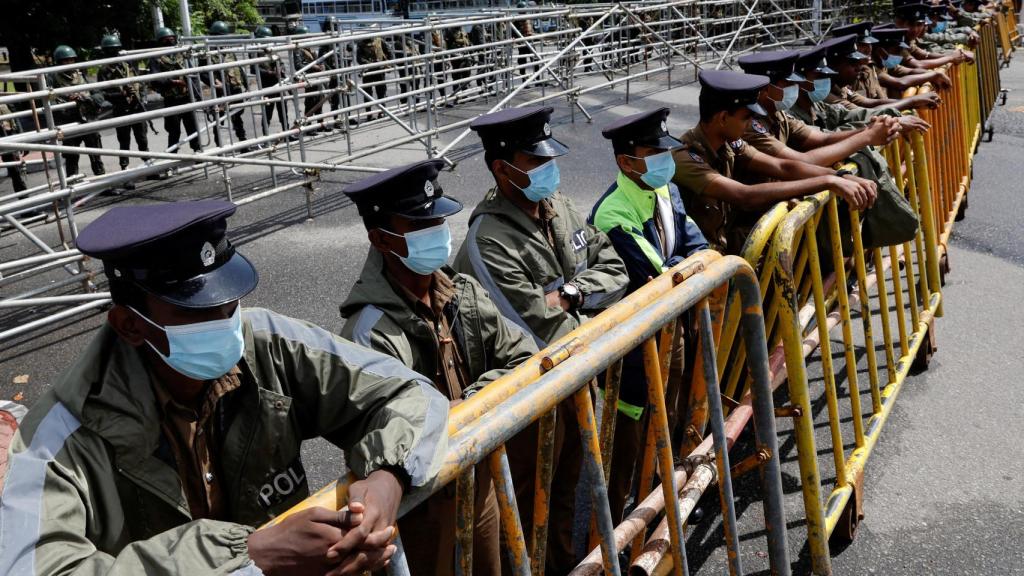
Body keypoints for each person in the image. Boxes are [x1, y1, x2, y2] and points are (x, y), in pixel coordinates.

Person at [0, 199, 448, 576]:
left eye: (228, 301)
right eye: (194, 311)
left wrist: (387, 473)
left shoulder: (268, 342)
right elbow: (29, 567)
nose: (224, 323)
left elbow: (411, 392)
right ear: (130, 326)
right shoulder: (59, 437)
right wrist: (247, 556)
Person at [340, 159, 539, 575]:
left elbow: (521, 354)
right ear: (381, 238)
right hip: (420, 505)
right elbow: (385, 435)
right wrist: (460, 410)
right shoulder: (367, 333)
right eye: (419, 226)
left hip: (477, 475)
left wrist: (467, 401)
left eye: (439, 221)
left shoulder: (460, 291)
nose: (438, 233)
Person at [452, 106, 629, 574]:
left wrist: (572, 293)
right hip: (529, 401)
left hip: (577, 381)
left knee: (568, 493)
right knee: (530, 505)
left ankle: (564, 564)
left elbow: (616, 271)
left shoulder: (562, 207)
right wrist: (597, 317)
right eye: (536, 161)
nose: (549, 168)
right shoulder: (488, 240)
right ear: (502, 168)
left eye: (549, 157)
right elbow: (537, 330)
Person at [588, 108, 708, 522]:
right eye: (653, 152)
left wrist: (685, 264)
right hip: (633, 349)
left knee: (671, 414)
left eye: (665, 150)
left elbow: (699, 246)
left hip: (670, 330)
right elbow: (657, 275)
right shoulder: (612, 212)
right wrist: (684, 265)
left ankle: (660, 498)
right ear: (626, 162)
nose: (665, 159)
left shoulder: (665, 190)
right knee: (628, 437)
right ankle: (616, 525)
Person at [671, 70, 876, 256]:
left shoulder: (730, 143)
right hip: (703, 260)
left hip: (728, 250)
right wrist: (827, 182)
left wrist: (838, 176)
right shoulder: (685, 157)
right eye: (746, 117)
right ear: (723, 118)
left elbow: (783, 166)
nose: (750, 123)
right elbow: (744, 196)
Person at [736, 50, 900, 170]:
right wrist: (867, 137)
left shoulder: (778, 114)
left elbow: (823, 139)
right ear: (764, 89)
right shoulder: (750, 125)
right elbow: (802, 161)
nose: (796, 87)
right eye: (788, 83)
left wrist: (869, 130)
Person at [824, 32, 942, 112]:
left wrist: (912, 101)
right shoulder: (826, 94)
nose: (858, 67)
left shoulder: (843, 85)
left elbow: (869, 103)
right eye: (852, 63)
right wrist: (912, 101)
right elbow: (865, 112)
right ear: (833, 67)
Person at [97, 33, 150, 184]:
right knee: (124, 142)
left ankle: (148, 167)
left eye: (115, 49)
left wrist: (141, 96)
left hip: (136, 106)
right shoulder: (104, 71)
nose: (114, 53)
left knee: (142, 139)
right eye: (110, 50)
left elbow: (140, 82)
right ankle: (125, 170)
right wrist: (121, 93)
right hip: (120, 108)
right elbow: (103, 93)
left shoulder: (128, 65)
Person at [48, 45, 107, 178]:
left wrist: (87, 98)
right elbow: (49, 102)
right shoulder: (53, 78)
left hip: (88, 118)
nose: (69, 63)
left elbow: (98, 94)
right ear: (58, 62)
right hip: (69, 120)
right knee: (71, 156)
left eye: (71, 60)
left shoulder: (81, 75)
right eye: (65, 61)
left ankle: (103, 182)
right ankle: (72, 186)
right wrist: (67, 103)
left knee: (95, 153)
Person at [149, 27, 203, 155]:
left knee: (192, 127)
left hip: (186, 96)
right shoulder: (156, 57)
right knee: (173, 130)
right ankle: (172, 154)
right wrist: (174, 82)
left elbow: (193, 74)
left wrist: (196, 95)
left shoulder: (181, 53)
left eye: (171, 38)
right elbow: (155, 79)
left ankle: (197, 150)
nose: (169, 41)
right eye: (166, 39)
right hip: (171, 98)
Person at [871, 27, 953, 95]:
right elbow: (900, 83)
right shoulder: (872, 68)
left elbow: (911, 71)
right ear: (880, 51)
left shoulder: (885, 63)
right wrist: (932, 76)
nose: (901, 54)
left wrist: (934, 74)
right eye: (897, 50)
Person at [206, 21, 251, 147]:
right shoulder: (208, 53)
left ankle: (243, 142)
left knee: (237, 117)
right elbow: (203, 73)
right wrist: (215, 82)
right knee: (218, 119)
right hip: (221, 91)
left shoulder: (229, 51)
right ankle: (219, 147)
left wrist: (246, 85)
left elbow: (238, 69)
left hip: (235, 89)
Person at [894, 2, 975, 65]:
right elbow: (917, 65)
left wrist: (956, 54)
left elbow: (926, 54)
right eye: (911, 24)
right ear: (898, 23)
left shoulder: (910, 40)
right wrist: (950, 58)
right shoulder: (895, 41)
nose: (916, 30)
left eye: (920, 25)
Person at [253, 26, 290, 135]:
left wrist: (280, 68)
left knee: (283, 111)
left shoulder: (272, 51)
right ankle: (266, 136)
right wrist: (269, 72)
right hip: (266, 86)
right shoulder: (255, 52)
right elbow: (254, 69)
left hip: (278, 84)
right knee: (267, 113)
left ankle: (286, 133)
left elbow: (281, 63)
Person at [355, 34, 393, 120]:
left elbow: (389, 52)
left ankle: (382, 111)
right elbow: (359, 58)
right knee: (367, 94)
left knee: (381, 92)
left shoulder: (379, 41)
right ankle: (369, 114)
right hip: (367, 71)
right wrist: (369, 64)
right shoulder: (361, 44)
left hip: (379, 70)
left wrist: (388, 63)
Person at [0, 104, 28, 198]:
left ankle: (27, 207)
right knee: (15, 173)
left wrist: (23, 140)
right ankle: (27, 208)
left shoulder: (4, 95)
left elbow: (14, 114)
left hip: (10, 135)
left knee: (16, 173)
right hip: (4, 138)